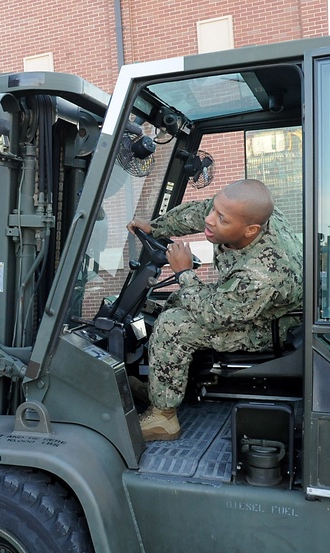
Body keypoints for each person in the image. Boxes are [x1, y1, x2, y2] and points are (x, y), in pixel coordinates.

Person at [127, 179, 303, 441]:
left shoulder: (265, 273)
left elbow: (213, 315)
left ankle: (163, 418)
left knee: (175, 325)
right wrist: (156, 227)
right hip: (249, 305)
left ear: (250, 229)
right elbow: (201, 212)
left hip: (271, 326)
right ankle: (165, 386)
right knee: (179, 301)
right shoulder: (244, 212)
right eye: (216, 210)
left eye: (221, 218)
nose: (210, 220)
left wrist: (184, 272)